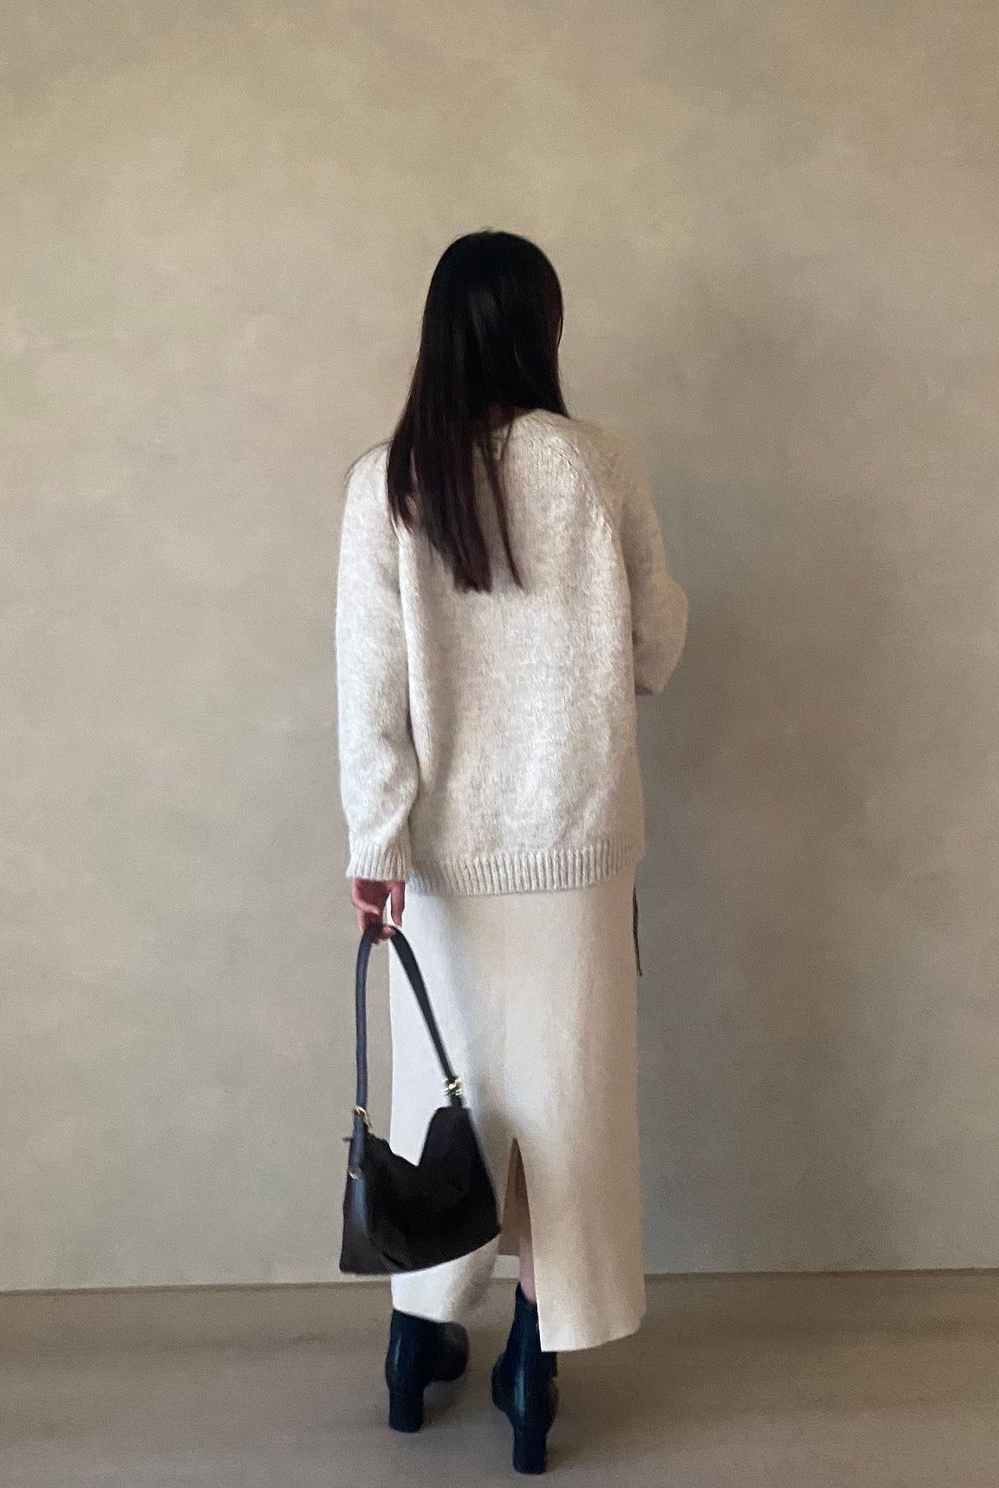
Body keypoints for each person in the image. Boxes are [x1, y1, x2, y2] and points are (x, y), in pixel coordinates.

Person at [333, 229, 688, 1475]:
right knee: (568, 1103)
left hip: (440, 866)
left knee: (454, 1099)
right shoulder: (597, 465)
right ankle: (535, 1364)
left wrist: (375, 844)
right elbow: (653, 648)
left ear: (437, 331)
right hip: (579, 855)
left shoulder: (386, 482)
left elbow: (369, 693)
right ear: (542, 327)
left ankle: (414, 1346)